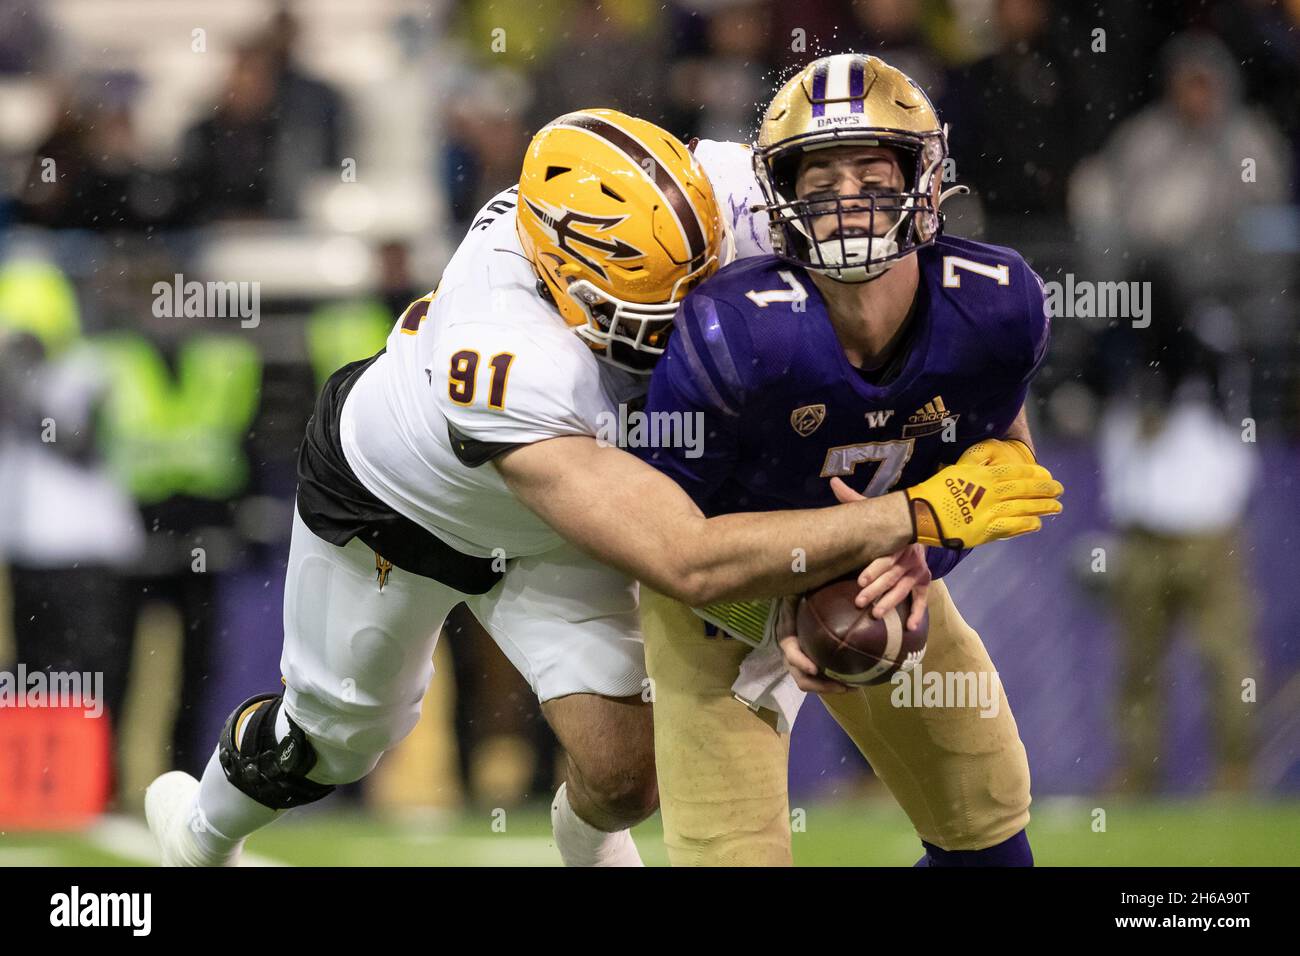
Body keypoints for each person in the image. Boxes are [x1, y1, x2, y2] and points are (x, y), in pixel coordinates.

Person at [145, 107, 1061, 867]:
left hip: (563, 534)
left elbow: (862, 215)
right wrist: (906, 515)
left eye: (705, 280)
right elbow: (687, 559)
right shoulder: (508, 356)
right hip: (399, 510)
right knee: (332, 743)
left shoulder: (730, 189)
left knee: (627, 778)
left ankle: (584, 846)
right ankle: (201, 835)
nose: (694, 325)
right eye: (656, 319)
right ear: (567, 291)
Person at [638, 53, 1057, 866]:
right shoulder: (736, 329)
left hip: (877, 577)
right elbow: (668, 544)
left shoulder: (995, 305)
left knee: (987, 820)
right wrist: (785, 587)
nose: (849, 198)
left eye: (872, 168)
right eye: (820, 176)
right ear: (783, 197)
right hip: (721, 598)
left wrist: (922, 553)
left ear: (926, 179)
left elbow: (1005, 465)